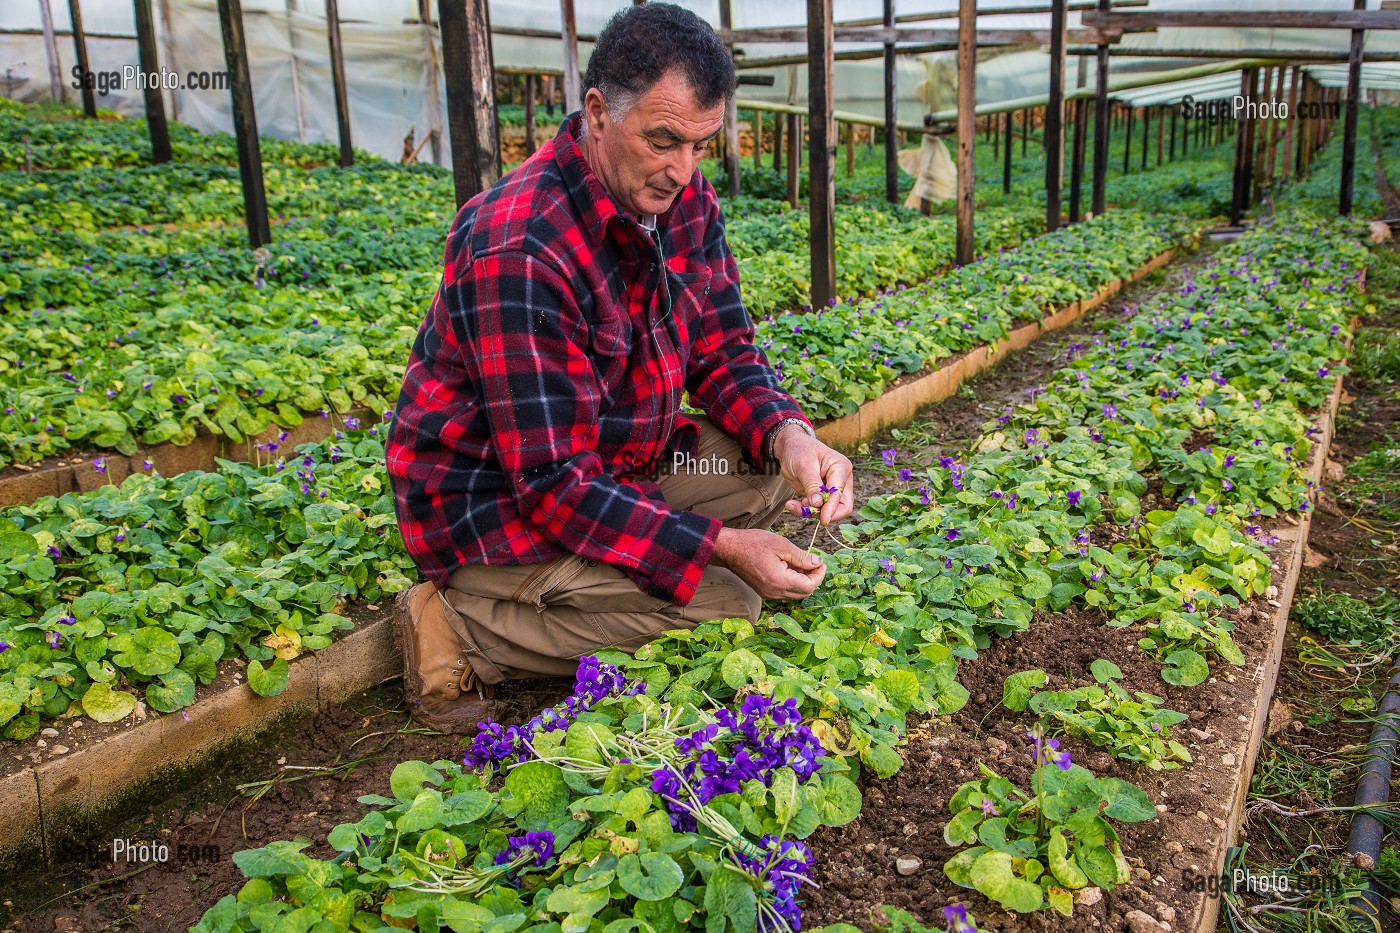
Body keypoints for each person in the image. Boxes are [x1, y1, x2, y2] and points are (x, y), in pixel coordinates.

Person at [386, 2, 854, 733]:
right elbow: (554, 483)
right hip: (498, 504)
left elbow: (723, 346)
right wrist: (721, 547)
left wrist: (792, 436)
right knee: (729, 603)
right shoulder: (522, 246)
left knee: (763, 468)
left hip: (618, 464)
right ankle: (459, 623)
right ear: (598, 113)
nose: (683, 170)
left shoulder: (681, 197)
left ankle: (663, 542)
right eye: (664, 140)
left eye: (702, 145)